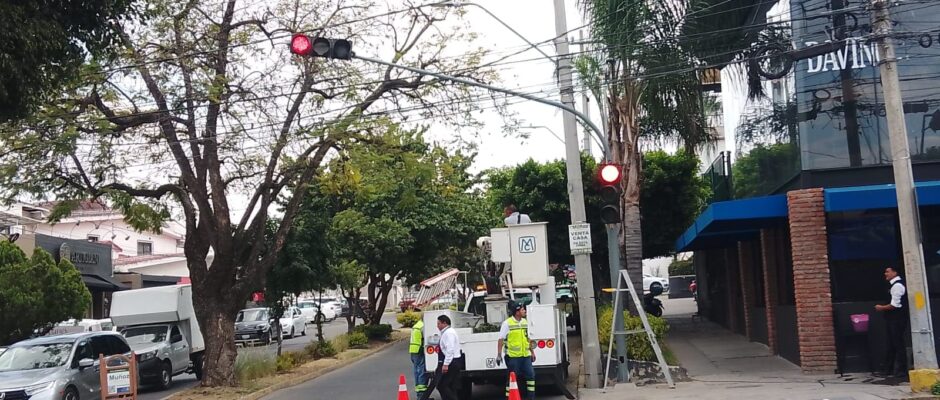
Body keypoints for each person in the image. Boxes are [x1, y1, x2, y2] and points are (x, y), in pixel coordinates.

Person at [875, 266, 909, 378]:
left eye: (888, 271)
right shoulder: (892, 285)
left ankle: (901, 370)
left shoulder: (897, 286)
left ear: (895, 272)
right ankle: (888, 369)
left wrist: (881, 307)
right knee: (891, 343)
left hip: (897, 319)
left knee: (898, 343)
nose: (885, 274)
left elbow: (895, 305)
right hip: (892, 319)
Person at [497, 301, 536, 400]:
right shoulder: (507, 323)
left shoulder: (525, 322)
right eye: (522, 309)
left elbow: (528, 338)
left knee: (531, 376)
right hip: (513, 357)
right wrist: (499, 354)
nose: (524, 311)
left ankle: (531, 398)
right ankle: (509, 397)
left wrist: (532, 352)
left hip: (525, 355)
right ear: (517, 312)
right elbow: (501, 339)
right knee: (512, 379)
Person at [434, 315, 464, 400]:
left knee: (442, 385)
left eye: (439, 323)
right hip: (453, 361)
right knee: (450, 386)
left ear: (445, 323)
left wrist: (446, 364)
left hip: (452, 362)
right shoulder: (446, 332)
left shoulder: (449, 333)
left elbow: (450, 349)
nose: (437, 326)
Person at [409, 315, 430, 399]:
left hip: (413, 351)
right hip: (419, 351)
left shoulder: (417, 325)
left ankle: (419, 394)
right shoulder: (423, 326)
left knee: (417, 372)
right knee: (421, 372)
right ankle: (422, 395)